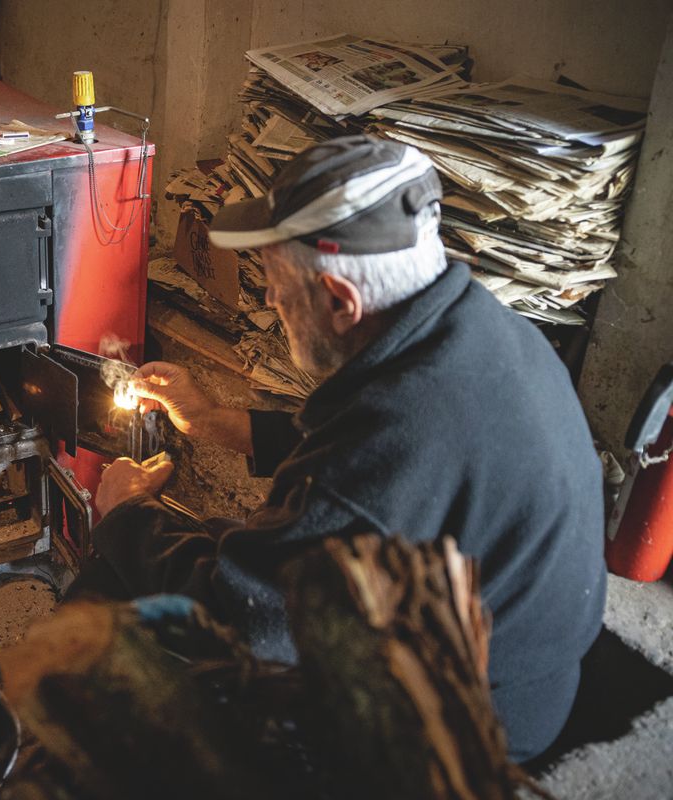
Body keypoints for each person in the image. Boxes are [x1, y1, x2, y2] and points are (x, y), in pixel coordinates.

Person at [86, 135, 606, 762]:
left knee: (137, 658)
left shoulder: (396, 436)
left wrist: (125, 517)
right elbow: (354, 448)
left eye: (276, 282)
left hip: (463, 734)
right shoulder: (476, 329)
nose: (272, 300)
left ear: (340, 300)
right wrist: (214, 420)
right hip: (511, 662)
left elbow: (245, 621)